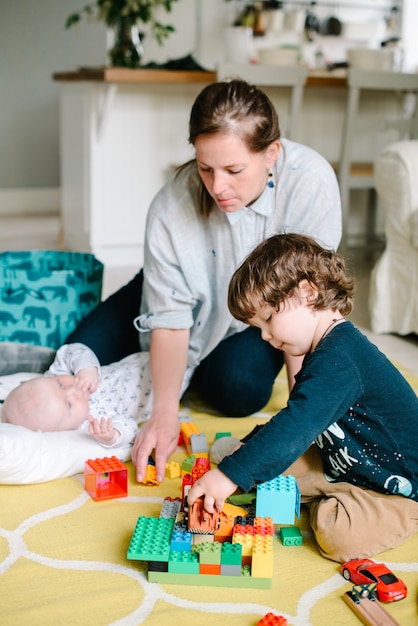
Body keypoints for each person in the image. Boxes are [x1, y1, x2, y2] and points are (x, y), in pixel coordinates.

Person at [66, 79, 342, 483]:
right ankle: (179, 363)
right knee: (72, 361)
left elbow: (307, 314)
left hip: (264, 315)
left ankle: (197, 368)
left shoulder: (310, 184)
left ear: (271, 154)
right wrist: (163, 415)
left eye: (233, 170)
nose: (217, 187)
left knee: (239, 390)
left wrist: (305, 416)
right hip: (176, 294)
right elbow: (170, 322)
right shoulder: (170, 208)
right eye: (205, 168)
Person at [187, 233, 418, 563]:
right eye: (258, 328)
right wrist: (250, 450)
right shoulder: (323, 350)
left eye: (268, 319)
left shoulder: (343, 359)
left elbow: (297, 425)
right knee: (251, 458)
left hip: (396, 487)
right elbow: (298, 419)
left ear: (308, 292)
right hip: (342, 460)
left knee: (337, 537)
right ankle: (329, 488)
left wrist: (228, 476)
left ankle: (341, 501)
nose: (265, 336)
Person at [2, 343, 149, 448]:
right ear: (66, 429)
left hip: (149, 360)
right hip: (157, 398)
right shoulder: (89, 425)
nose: (73, 390)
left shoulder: (59, 373)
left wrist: (86, 368)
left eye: (60, 384)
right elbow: (130, 425)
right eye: (69, 404)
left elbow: (73, 349)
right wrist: (112, 436)